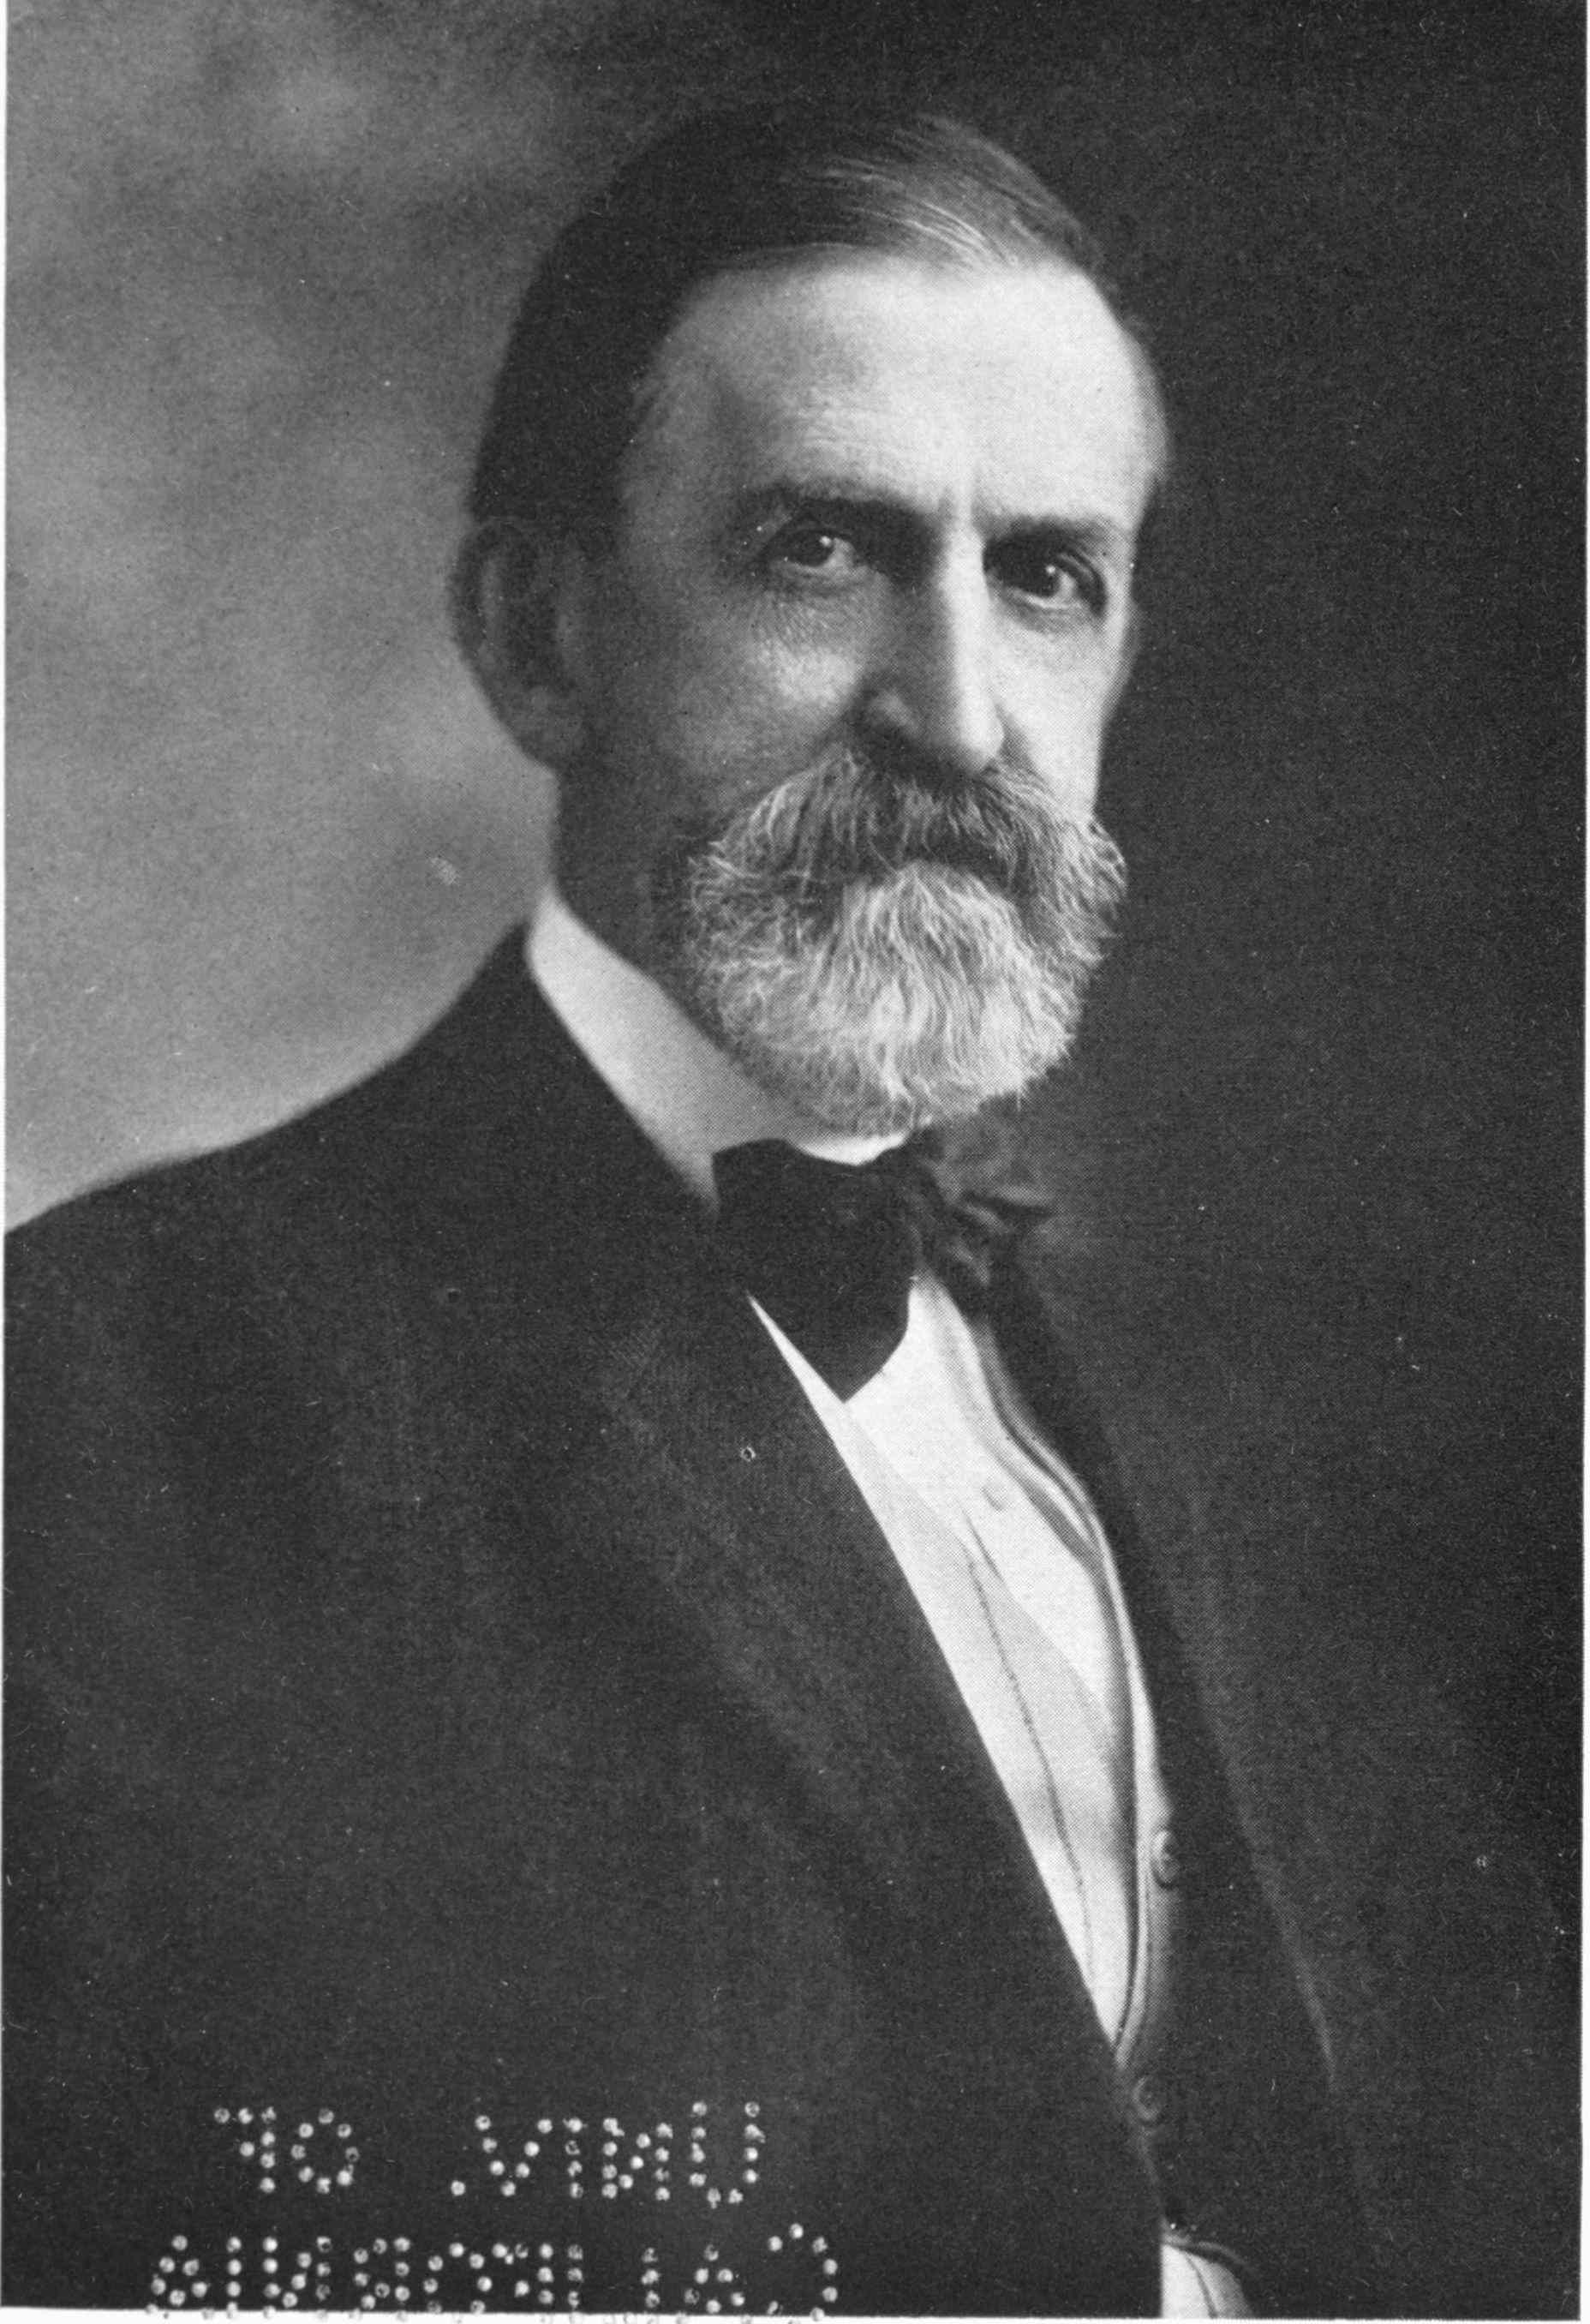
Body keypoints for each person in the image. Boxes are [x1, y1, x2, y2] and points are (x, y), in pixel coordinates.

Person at [3, 106, 1572, 2319]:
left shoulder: (1253, 1428)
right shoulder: (97, 1407)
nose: (959, 717)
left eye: (1048, 576)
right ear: (537, 634)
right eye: (822, 550)